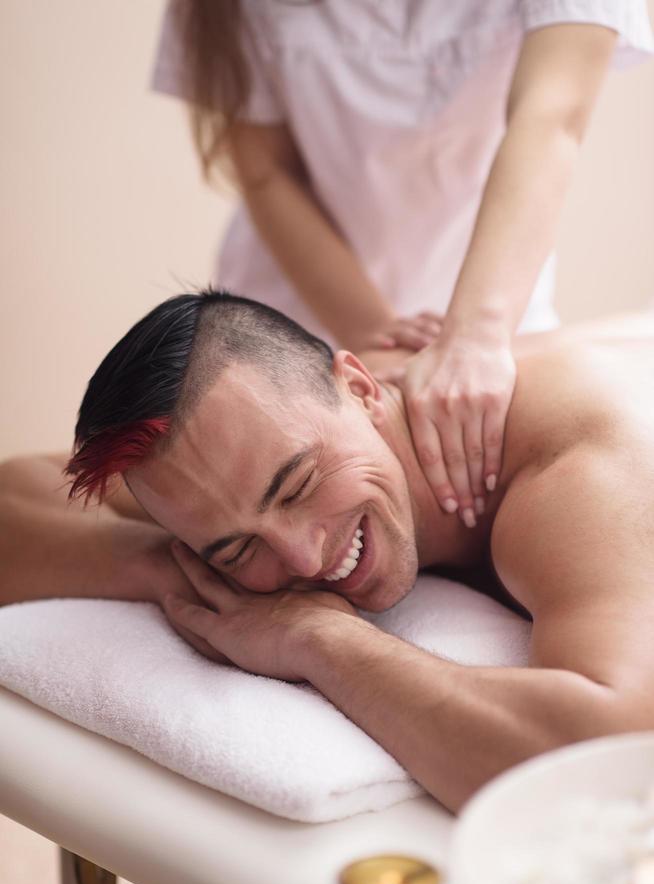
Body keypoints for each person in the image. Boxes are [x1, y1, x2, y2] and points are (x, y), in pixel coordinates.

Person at [2, 291, 654, 813]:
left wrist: (318, 638)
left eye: (297, 487)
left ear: (364, 388)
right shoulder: (236, 455)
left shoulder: (578, 464)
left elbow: (610, 765)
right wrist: (187, 571)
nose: (304, 562)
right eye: (236, 547)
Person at [151, 0, 652, 525]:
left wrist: (476, 336)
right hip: (288, 326)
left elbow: (552, 117)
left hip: (492, 312)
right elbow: (265, 170)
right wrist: (382, 340)